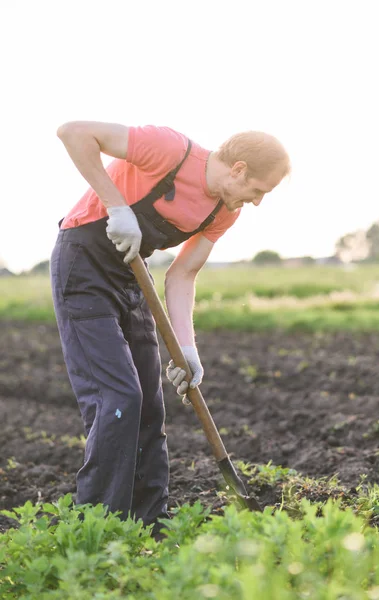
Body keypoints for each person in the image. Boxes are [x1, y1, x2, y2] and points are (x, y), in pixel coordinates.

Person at [50, 121, 290, 536]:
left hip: (130, 275)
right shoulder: (169, 150)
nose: (257, 202)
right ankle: (95, 527)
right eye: (259, 190)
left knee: (149, 405)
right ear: (238, 169)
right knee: (118, 396)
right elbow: (73, 132)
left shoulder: (222, 211)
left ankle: (148, 523)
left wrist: (187, 350)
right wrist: (117, 206)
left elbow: (182, 276)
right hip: (83, 265)